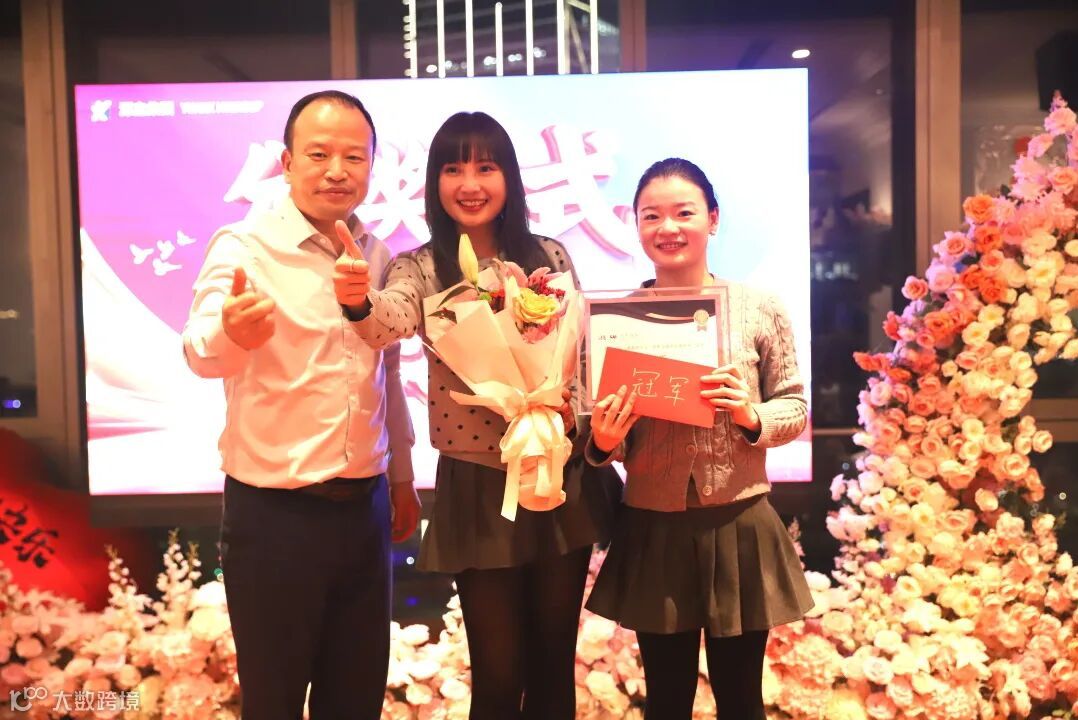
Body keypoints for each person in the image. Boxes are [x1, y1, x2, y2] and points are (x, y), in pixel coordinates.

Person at [336, 111, 620, 720]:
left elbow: (581, 359)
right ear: (434, 182)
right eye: (453, 168)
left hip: (555, 473)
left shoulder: (548, 255)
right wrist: (358, 303)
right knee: (498, 673)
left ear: (509, 178)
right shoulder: (419, 266)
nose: (470, 183)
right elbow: (389, 321)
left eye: (485, 167)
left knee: (552, 668)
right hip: (476, 483)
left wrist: (565, 412)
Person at [182, 90, 421, 720]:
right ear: (287, 163)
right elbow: (198, 350)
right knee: (275, 702)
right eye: (318, 154)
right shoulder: (245, 246)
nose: (337, 170)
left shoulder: (377, 255)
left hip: (365, 510)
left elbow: (388, 375)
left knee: (356, 700)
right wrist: (232, 331)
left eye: (354, 157)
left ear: (372, 166)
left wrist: (401, 479)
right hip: (274, 518)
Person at [585, 158, 813, 720]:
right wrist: (604, 441)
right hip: (653, 527)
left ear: (712, 219)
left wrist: (750, 415)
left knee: (741, 699)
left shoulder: (759, 307)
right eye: (651, 216)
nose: (668, 227)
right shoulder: (613, 319)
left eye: (683, 213)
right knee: (666, 700)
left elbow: (795, 406)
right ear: (635, 225)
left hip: (739, 524)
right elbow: (599, 429)